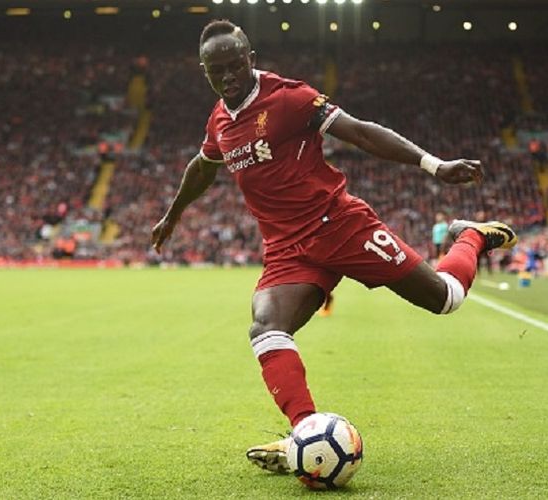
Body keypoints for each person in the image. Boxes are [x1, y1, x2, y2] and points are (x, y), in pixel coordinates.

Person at [150, 20, 517, 474]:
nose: (227, 77)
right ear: (204, 72)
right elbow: (203, 168)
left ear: (251, 58)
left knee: (446, 299)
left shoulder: (289, 98)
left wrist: (434, 165)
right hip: (288, 248)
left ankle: (472, 235)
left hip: (341, 226)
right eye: (216, 71)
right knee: (266, 328)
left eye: (234, 66)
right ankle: (305, 434)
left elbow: (361, 132)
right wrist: (173, 214)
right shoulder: (220, 120)